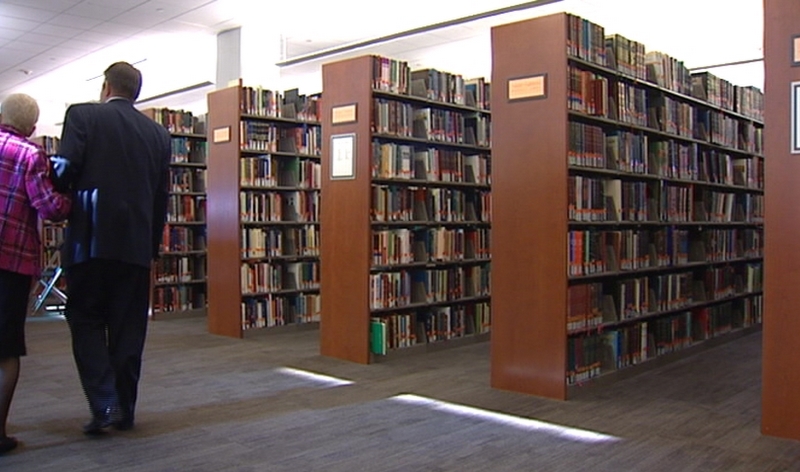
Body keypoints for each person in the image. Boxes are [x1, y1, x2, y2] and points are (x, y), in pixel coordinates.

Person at [51, 62, 170, 435]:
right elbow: (160, 196)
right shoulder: (158, 134)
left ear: (105, 87)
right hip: (135, 245)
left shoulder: (82, 115)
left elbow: (65, 167)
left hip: (91, 239)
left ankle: (104, 400)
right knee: (128, 327)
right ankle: (125, 410)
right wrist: (151, 247)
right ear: (135, 92)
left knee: (84, 318)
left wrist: (56, 185)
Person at [0, 93, 72, 454]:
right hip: (10, 262)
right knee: (5, 347)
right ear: (30, 127)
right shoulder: (30, 155)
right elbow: (48, 207)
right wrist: (71, 195)